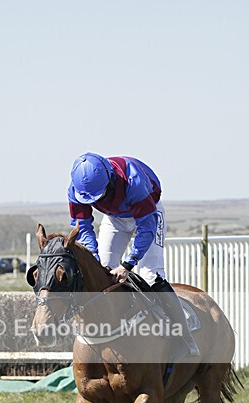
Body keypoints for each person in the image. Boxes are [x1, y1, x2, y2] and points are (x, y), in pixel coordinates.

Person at [67, 152, 199, 359]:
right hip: (114, 219)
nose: (97, 200)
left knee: (150, 275)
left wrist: (128, 264)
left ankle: (183, 339)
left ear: (109, 180)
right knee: (102, 273)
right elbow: (82, 226)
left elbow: (146, 227)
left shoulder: (133, 180)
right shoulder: (77, 189)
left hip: (148, 214)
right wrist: (93, 255)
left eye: (100, 194)